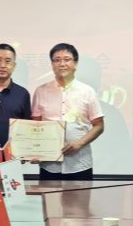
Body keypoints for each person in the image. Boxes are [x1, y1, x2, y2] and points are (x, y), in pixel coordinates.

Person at [32, 43, 104, 179]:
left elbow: (99, 125)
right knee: (48, 194)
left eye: (67, 59)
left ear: (75, 64)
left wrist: (79, 143)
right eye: (57, 60)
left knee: (81, 194)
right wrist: (34, 151)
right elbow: (35, 126)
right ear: (52, 64)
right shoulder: (41, 91)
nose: (62, 64)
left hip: (80, 164)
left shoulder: (87, 91)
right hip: (49, 165)